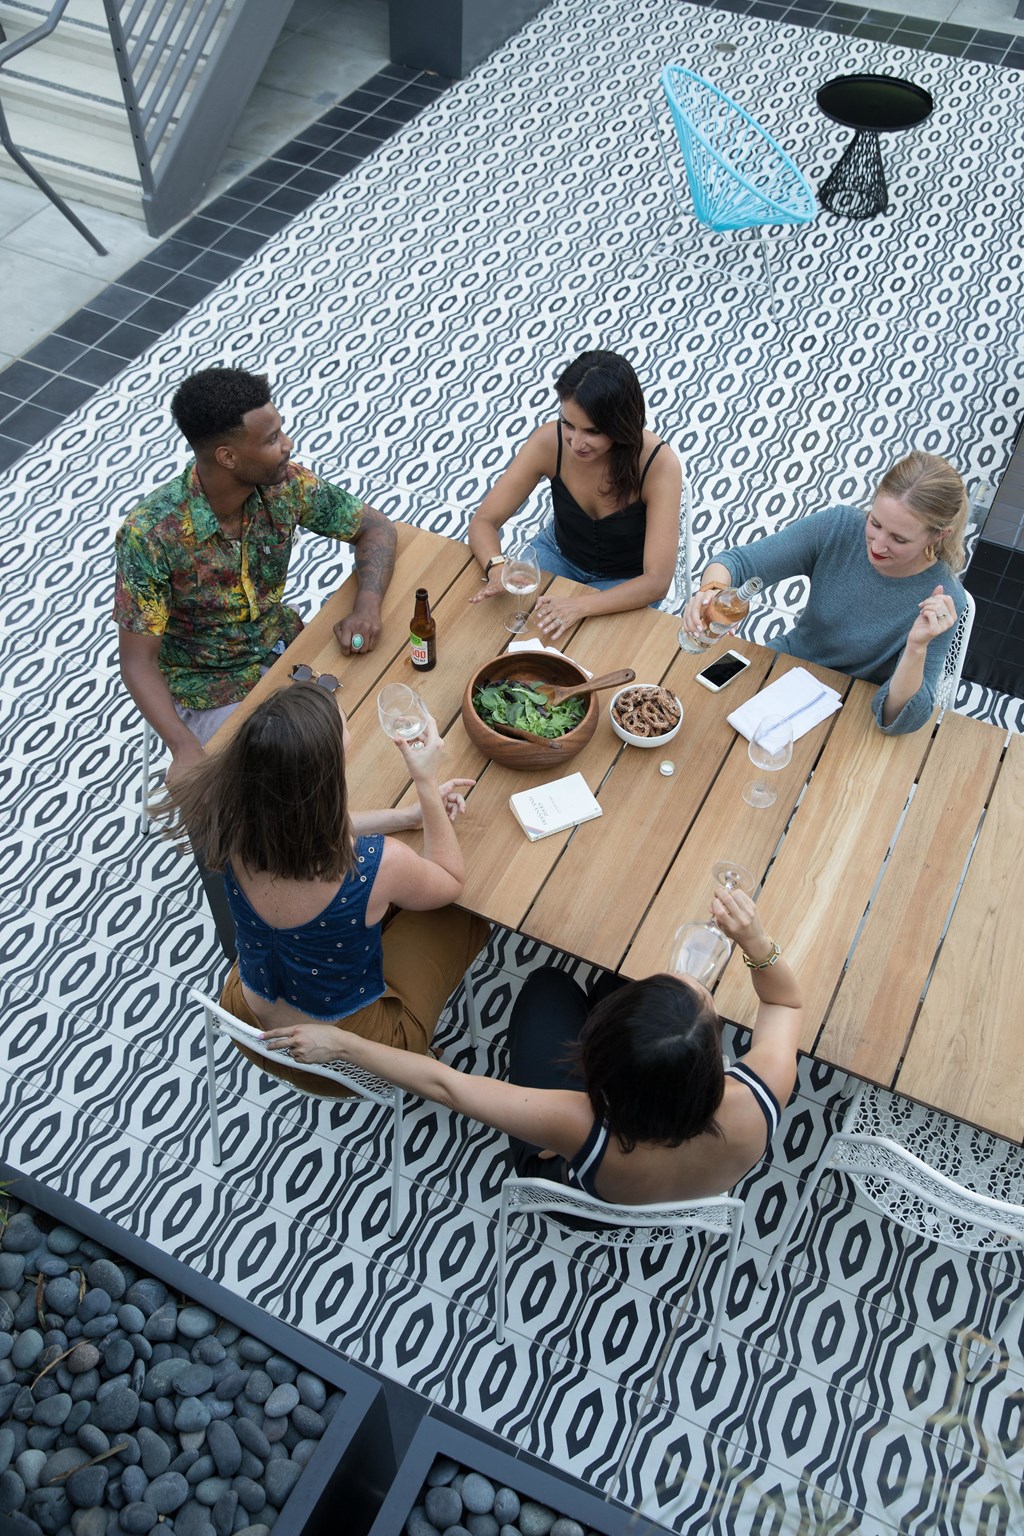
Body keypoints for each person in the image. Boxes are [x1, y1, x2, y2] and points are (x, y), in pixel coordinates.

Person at [260, 887, 802, 1202]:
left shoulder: (572, 1119)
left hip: (581, 1182)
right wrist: (753, 940)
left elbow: (447, 1085)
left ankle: (543, 1155)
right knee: (618, 981)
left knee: (548, 986)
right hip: (683, 1181)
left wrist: (342, 1044)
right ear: (714, 1061)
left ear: (598, 1069)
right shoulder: (762, 1095)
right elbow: (784, 1005)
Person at [158, 682, 489, 1096]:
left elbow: (296, 821)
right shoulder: (378, 863)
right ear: (327, 772)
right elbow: (449, 880)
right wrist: (426, 785)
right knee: (467, 914)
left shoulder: (227, 815)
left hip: (248, 1021)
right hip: (347, 1058)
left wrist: (402, 817)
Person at [114, 367, 397, 782]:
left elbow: (376, 527)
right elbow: (138, 663)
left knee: (384, 723)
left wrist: (367, 606)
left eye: (281, 432)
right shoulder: (152, 535)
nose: (288, 445)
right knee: (280, 798)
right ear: (227, 456)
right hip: (208, 687)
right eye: (271, 439)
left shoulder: (286, 486)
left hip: (282, 646)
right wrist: (184, 747)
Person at [681, 451, 970, 735]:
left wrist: (917, 646)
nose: (878, 546)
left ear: (938, 535)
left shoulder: (942, 600)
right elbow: (739, 562)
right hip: (788, 660)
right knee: (695, 708)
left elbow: (902, 720)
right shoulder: (839, 527)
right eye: (875, 523)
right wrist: (711, 592)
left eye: (899, 539)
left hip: (850, 706)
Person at [467, 350, 683, 644]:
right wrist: (496, 566)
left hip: (627, 582)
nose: (576, 443)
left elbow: (657, 581)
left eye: (592, 431)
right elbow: (484, 521)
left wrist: (579, 606)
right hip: (557, 554)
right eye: (568, 424)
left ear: (622, 426)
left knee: (590, 654)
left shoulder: (659, 465)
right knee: (499, 636)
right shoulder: (549, 441)